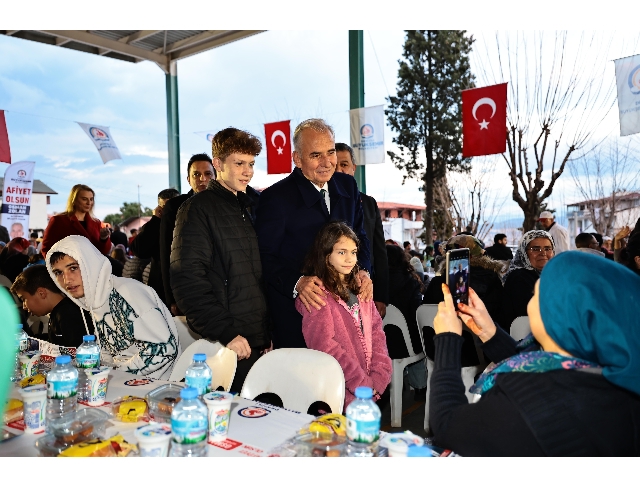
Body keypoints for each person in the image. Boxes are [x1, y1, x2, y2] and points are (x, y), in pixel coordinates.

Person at [429, 251, 640, 456]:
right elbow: (533, 365)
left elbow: (447, 425)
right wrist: (489, 332)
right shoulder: (611, 377)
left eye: (536, 295)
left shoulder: (527, 405)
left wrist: (448, 338)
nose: (530, 302)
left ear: (559, 314)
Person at [255, 119, 371, 349]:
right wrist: (297, 283)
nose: (327, 163)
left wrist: (365, 271)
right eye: (316, 155)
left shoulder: (347, 186)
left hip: (346, 315)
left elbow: (362, 236)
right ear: (297, 158)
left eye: (330, 152)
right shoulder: (274, 199)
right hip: (296, 320)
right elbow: (263, 257)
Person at [171, 128, 269, 393]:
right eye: (239, 163)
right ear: (218, 164)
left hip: (261, 340)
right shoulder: (196, 209)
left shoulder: (255, 205)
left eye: (250, 164)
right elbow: (187, 279)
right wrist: (226, 333)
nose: (247, 171)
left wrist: (270, 331)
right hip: (227, 342)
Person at [46, 235, 180, 379]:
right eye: (58, 273)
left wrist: (115, 373)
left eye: (73, 268)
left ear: (90, 264)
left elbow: (164, 350)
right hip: (123, 380)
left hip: (156, 383)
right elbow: (109, 354)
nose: (66, 280)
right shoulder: (94, 301)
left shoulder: (128, 292)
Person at [296, 222, 391, 408]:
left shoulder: (361, 289)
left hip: (370, 390)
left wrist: (379, 377)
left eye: (353, 252)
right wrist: (361, 383)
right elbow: (325, 347)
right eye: (341, 252)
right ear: (326, 255)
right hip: (336, 396)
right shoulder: (318, 296)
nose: (349, 259)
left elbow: (377, 333)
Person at [335, 143, 389, 318]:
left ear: (353, 168)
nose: (339, 170)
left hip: (365, 290)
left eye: (344, 165)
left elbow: (379, 250)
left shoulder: (368, 203)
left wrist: (381, 295)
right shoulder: (322, 203)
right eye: (335, 165)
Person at [160, 153, 215, 313]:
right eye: (196, 174)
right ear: (188, 179)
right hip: (186, 290)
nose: (202, 179)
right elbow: (166, 253)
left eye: (207, 174)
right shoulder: (175, 207)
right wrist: (172, 298)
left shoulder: (225, 206)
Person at [11, 265, 94, 347]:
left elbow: (77, 351)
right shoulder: (59, 312)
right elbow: (54, 342)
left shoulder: (68, 314)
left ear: (41, 293)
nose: (24, 306)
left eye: (24, 299)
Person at [385, 244, 426, 398]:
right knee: (418, 337)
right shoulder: (410, 281)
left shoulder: (375, 282)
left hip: (380, 344)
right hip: (408, 345)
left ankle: (394, 385)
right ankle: (420, 386)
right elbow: (417, 313)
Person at [130, 188, 179, 303]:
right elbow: (139, 250)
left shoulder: (188, 222)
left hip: (183, 282)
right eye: (166, 208)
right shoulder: (155, 225)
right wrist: (155, 220)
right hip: (161, 286)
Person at [500, 230, 554, 330]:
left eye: (548, 248)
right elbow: (532, 314)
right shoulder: (519, 278)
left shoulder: (548, 275)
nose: (543, 253)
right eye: (536, 249)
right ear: (524, 252)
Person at [41, 184, 112, 257]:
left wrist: (104, 239)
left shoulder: (96, 223)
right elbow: (47, 249)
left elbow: (104, 251)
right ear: (74, 200)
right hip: (69, 266)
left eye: (91, 199)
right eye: (84, 199)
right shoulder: (59, 220)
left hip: (93, 267)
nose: (89, 203)